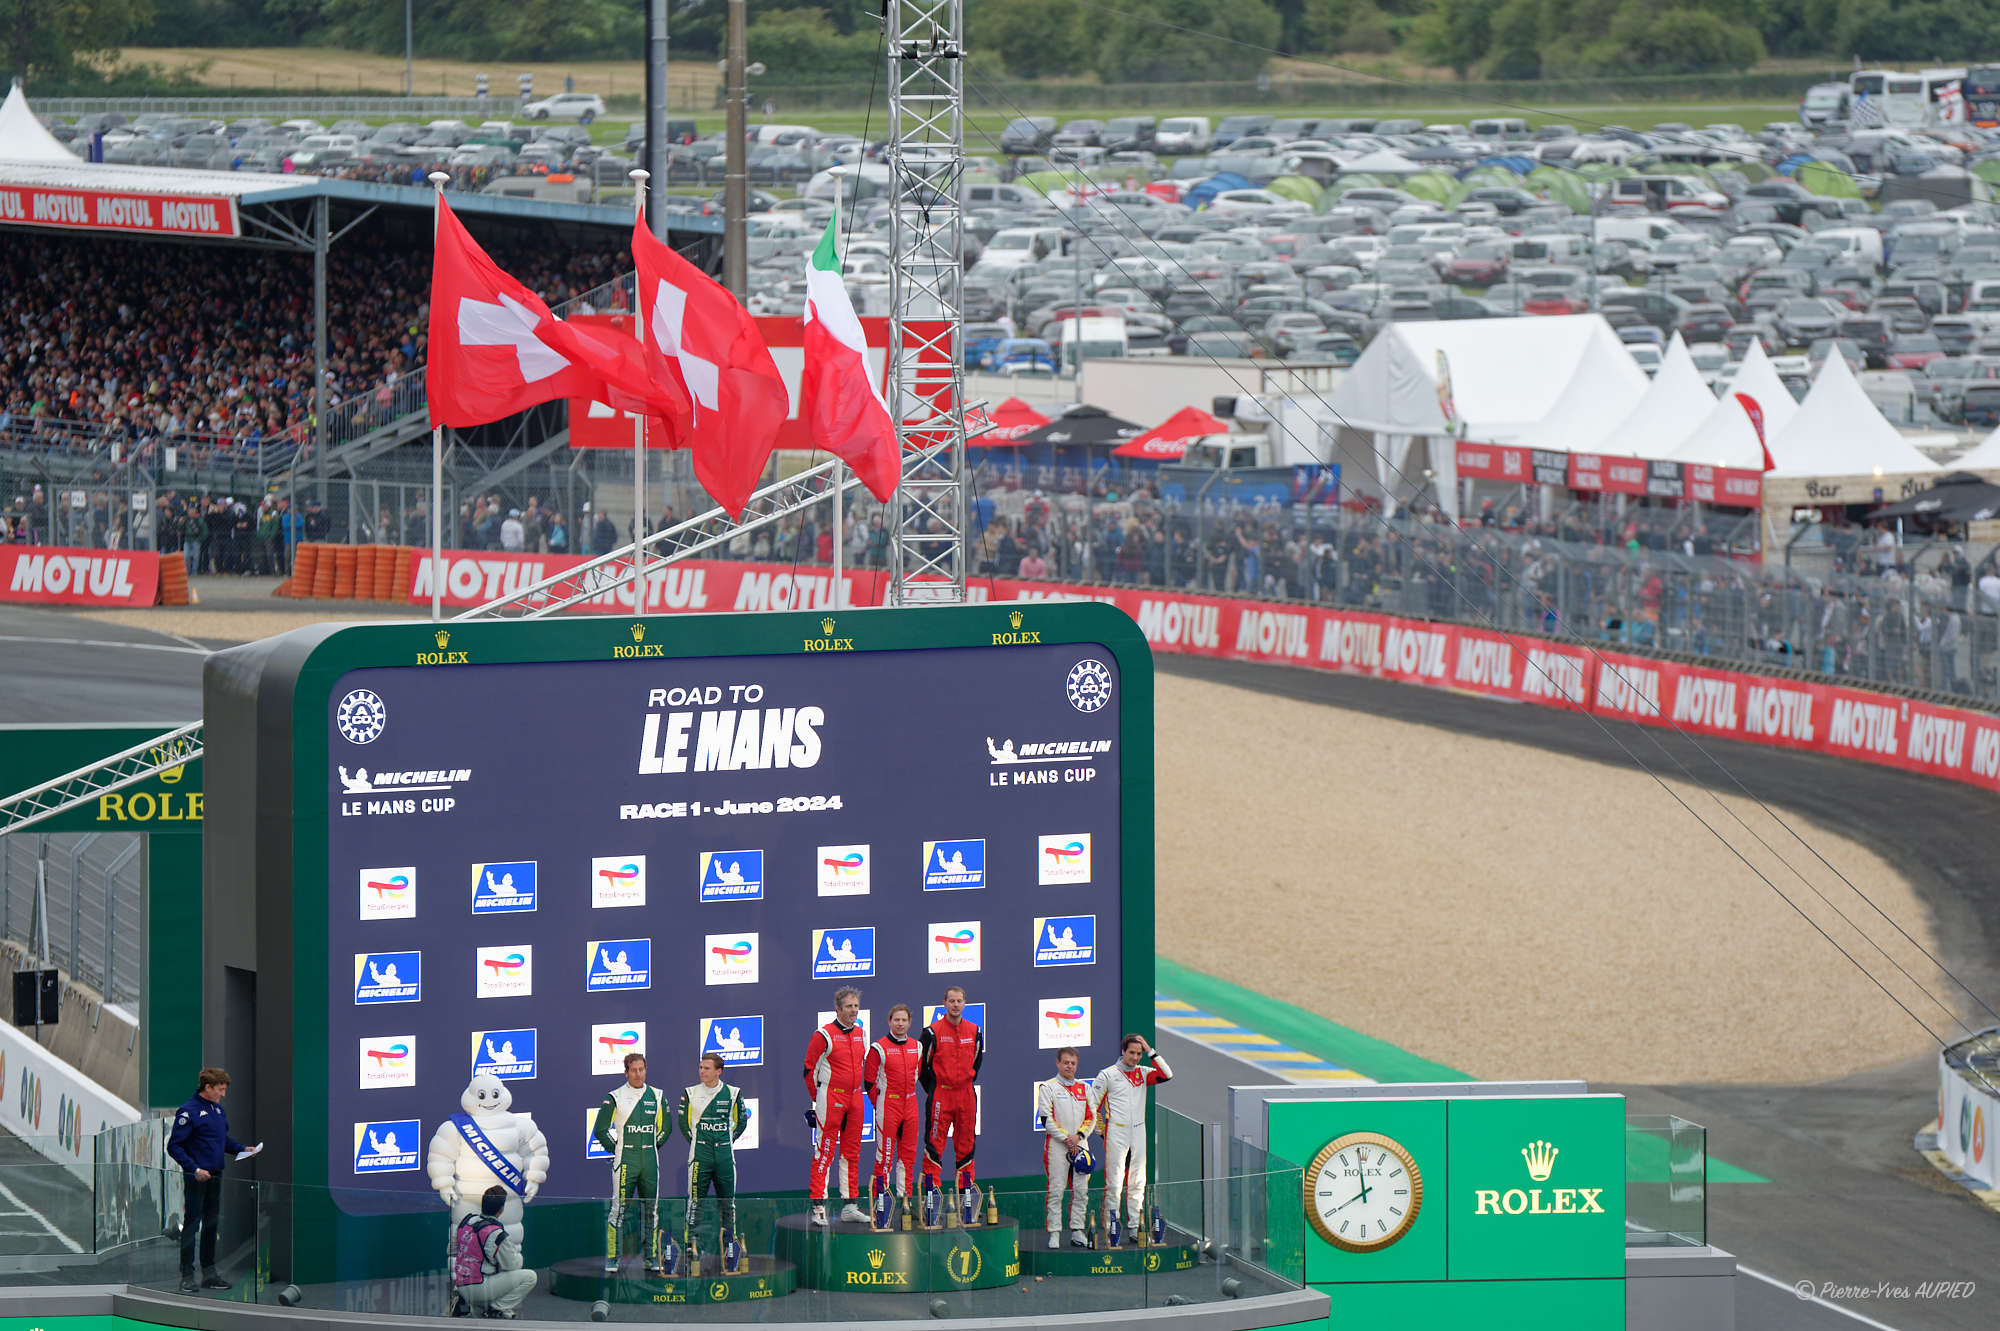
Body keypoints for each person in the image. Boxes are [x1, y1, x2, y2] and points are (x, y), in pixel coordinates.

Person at [167, 1067, 245, 1292]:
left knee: (212, 1224)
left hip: (216, 1176)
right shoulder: (188, 1112)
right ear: (207, 1087)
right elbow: (174, 1146)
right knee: (192, 1225)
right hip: (197, 1177)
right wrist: (194, 1168)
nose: (223, 1094)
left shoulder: (218, 1111)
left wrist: (242, 1149)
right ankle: (187, 1274)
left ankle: (209, 1273)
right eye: (220, 1090)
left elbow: (222, 1141)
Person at [590, 1052, 668, 1273]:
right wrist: (617, 1150)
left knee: (651, 1210)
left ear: (645, 1070)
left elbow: (666, 1129)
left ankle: (651, 1256)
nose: (638, 1073)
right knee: (619, 1209)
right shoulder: (614, 1096)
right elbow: (600, 1130)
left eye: (641, 1069)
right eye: (633, 1070)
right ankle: (614, 1257)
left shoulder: (658, 1095)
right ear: (626, 1072)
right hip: (626, 1160)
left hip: (650, 1160)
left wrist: (652, 1146)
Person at [1093, 1035, 1171, 1242]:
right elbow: (1092, 1106)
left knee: (1138, 1182)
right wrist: (1100, 1130)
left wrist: (1150, 1051)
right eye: (1132, 1053)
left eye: (1138, 1053)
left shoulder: (1144, 1073)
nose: (1135, 1057)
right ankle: (1112, 1228)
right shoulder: (1107, 1075)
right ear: (1123, 1052)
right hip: (1116, 1131)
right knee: (1115, 1183)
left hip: (1139, 1131)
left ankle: (1135, 1227)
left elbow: (1168, 1074)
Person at [802, 987, 869, 1226]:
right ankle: (818, 1205)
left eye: (856, 1006)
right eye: (849, 1006)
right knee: (825, 1151)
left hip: (855, 1098)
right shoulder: (824, 1035)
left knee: (852, 1153)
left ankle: (850, 1205)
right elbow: (809, 1070)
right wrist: (817, 1099)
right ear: (838, 1009)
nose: (853, 1010)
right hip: (831, 1097)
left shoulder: (861, 1033)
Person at [678, 1053, 752, 1257]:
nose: (702, 1071)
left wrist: (726, 1140)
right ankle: (690, 1247)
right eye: (701, 1067)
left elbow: (741, 1123)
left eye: (706, 1068)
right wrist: (699, 1142)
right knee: (695, 1203)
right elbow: (684, 1126)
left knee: (727, 1203)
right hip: (700, 1156)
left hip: (724, 1156)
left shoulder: (733, 1093)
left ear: (718, 1071)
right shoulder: (690, 1092)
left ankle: (730, 1248)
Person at [919, 985, 983, 1199]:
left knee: (966, 1145)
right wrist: (936, 1088)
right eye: (951, 1001)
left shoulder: (974, 1031)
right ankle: (931, 1198)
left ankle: (966, 1198)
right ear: (944, 1003)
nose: (955, 1005)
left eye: (959, 1001)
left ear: (965, 1003)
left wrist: (963, 1082)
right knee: (934, 1144)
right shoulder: (932, 1032)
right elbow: (922, 1068)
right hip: (941, 1095)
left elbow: (977, 1062)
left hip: (966, 1094)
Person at [1036, 1046, 1096, 1248]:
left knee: (1081, 1190)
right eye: (1066, 1062)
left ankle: (1077, 1230)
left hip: (1081, 1144)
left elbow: (1092, 1117)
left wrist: (1078, 1137)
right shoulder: (1048, 1087)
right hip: (1057, 1145)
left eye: (1073, 1063)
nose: (1069, 1066)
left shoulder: (1085, 1088)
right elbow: (1046, 1118)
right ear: (1058, 1063)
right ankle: (1054, 1232)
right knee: (1056, 1190)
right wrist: (1066, 1139)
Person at [452, 1184, 537, 1318]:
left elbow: (452, 1250)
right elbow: (512, 1265)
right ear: (501, 1209)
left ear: (483, 1204)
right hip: (480, 1287)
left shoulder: (465, 1222)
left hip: (460, 1285)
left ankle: (474, 1306)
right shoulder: (496, 1233)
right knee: (530, 1277)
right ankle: (496, 1308)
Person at [865, 1004, 922, 1200]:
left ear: (909, 1022)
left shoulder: (917, 1046)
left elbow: (917, 1074)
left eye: (903, 1020)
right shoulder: (878, 1047)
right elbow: (869, 1081)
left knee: (908, 1157)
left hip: (911, 1105)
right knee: (885, 1157)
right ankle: (880, 1203)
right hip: (888, 1105)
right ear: (889, 1021)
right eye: (896, 1020)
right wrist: (879, 1104)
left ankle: (905, 1201)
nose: (900, 1024)